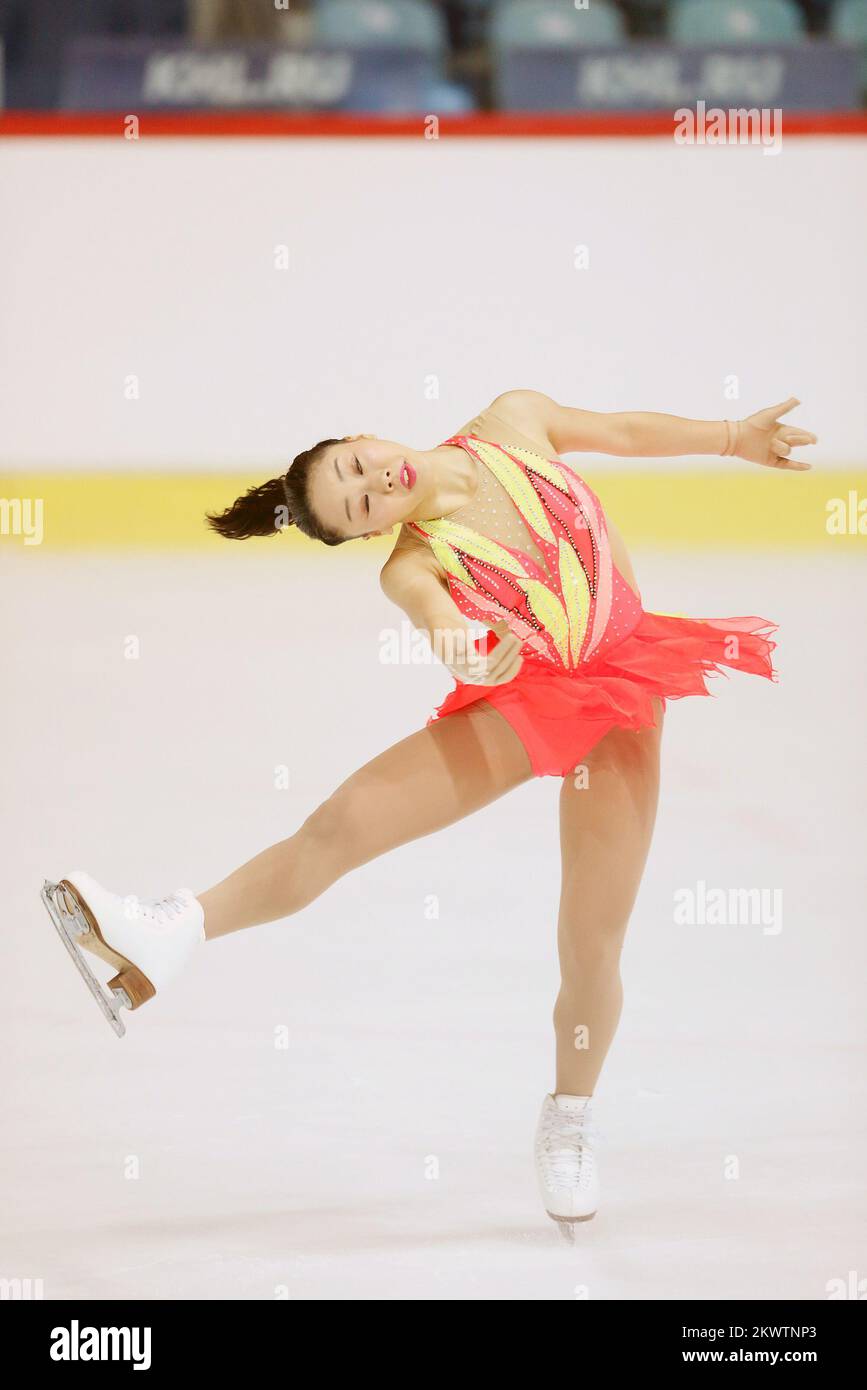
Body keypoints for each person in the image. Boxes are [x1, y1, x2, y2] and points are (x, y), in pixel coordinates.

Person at [42, 389, 816, 1235]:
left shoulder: (511, 421)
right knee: (341, 826)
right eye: (360, 506)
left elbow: (624, 431)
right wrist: (468, 653)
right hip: (528, 699)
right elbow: (436, 616)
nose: (374, 483)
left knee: (591, 941)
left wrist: (733, 434)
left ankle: (568, 1119)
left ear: (358, 434)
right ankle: (170, 930)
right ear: (372, 533)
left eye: (354, 466)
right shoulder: (407, 563)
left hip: (625, 691)